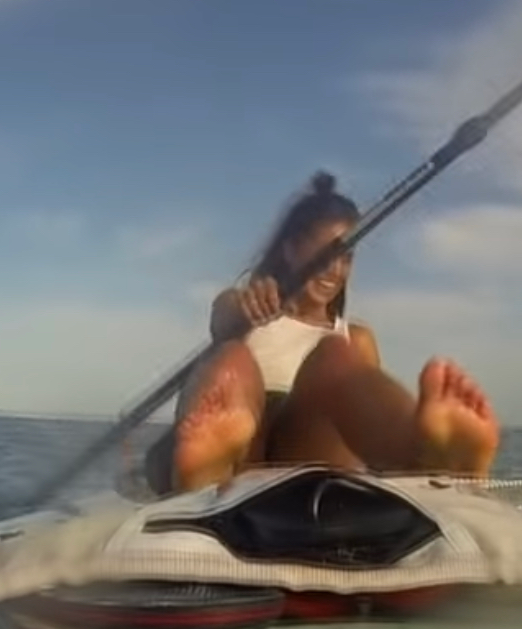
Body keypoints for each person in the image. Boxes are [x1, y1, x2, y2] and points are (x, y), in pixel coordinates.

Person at [143, 171, 502, 495]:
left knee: (336, 355)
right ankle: (206, 472)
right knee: (231, 358)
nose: (336, 269)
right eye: (326, 253)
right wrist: (246, 309)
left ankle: (426, 459)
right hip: (240, 460)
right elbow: (224, 319)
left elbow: (360, 426)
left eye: (347, 257)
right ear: (290, 248)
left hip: (303, 464)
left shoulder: (354, 337)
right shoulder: (238, 307)